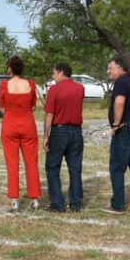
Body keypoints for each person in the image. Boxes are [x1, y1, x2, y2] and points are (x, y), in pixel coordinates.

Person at [104, 57, 130, 215]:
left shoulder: (121, 83)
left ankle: (117, 205)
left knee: (117, 168)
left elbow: (120, 102)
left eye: (110, 68)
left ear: (120, 69)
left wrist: (116, 124)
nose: (108, 71)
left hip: (125, 130)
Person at [0, 55, 41, 211]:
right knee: (31, 163)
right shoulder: (31, 84)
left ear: (9, 69)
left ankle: (14, 201)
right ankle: (34, 199)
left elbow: (2, 108)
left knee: (12, 164)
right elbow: (33, 107)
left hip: (10, 125)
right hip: (28, 125)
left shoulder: (4, 85)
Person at [42, 63, 85, 213]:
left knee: (53, 167)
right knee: (75, 168)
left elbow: (49, 114)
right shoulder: (80, 88)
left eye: (54, 73)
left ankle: (57, 203)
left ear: (61, 73)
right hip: (76, 130)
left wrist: (46, 135)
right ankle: (75, 202)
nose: (53, 76)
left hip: (59, 130)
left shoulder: (55, 89)